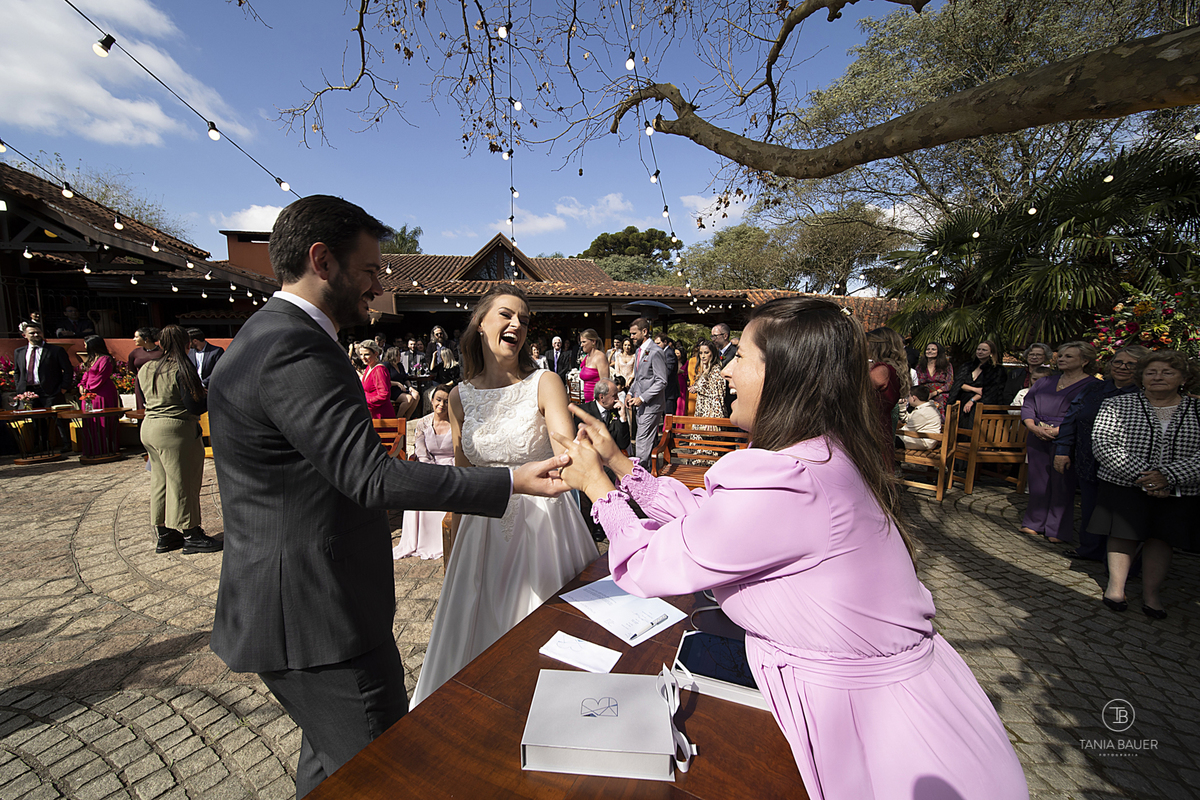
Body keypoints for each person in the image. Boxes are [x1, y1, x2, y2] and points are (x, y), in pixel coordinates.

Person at [553, 297, 1028, 800]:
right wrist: (620, 463)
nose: (727, 369)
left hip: (874, 723)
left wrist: (597, 490)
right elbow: (717, 530)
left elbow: (651, 563)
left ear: (783, 376)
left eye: (741, 357)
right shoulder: (822, 454)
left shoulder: (787, 478)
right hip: (898, 698)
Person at [206, 195, 569, 799]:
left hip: (306, 608)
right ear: (323, 261)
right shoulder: (294, 345)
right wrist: (508, 481)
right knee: (387, 774)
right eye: (371, 269)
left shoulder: (269, 335)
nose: (380, 285)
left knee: (332, 771)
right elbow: (370, 476)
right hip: (318, 617)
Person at [412, 285, 598, 705]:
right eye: (506, 315)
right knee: (475, 630)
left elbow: (564, 451)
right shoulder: (460, 396)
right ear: (480, 325)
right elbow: (462, 477)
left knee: (544, 630)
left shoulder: (545, 383)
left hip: (542, 527)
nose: (517, 324)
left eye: (524, 320)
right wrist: (453, 546)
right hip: (481, 528)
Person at [1090, 351, 1200, 619]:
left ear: (1183, 378)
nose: (1158, 377)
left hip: (1178, 488)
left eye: (1167, 372)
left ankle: (1152, 594)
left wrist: (1168, 476)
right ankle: (1115, 587)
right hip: (1125, 483)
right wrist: (1146, 475)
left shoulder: (1197, 408)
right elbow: (1104, 443)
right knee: (1123, 533)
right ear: (1142, 377)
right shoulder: (1118, 404)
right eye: (1151, 372)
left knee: (1162, 539)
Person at [1053, 345, 1150, 561]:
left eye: (1130, 364)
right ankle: (1089, 549)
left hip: (1126, 466)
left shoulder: (1146, 396)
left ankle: (1119, 558)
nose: (1123, 367)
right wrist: (1063, 450)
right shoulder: (1093, 389)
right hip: (1088, 460)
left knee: (1123, 515)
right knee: (1090, 507)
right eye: (1118, 362)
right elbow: (1071, 419)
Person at [139, 325, 222, 556]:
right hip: (175, 430)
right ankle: (191, 534)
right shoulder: (182, 368)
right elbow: (194, 405)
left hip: (149, 428)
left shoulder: (147, 367)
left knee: (161, 481)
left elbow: (143, 397)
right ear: (187, 344)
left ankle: (165, 534)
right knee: (184, 482)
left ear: (161, 344)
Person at [1019, 342, 1101, 544]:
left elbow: (1086, 414)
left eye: (1069, 356)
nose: (1062, 359)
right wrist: (1033, 426)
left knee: (1062, 482)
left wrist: (1058, 430)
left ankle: (1056, 528)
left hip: (1067, 437)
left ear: (1085, 361)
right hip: (1037, 434)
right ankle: (1034, 521)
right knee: (1038, 481)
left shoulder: (1093, 385)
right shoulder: (1045, 381)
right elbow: (1028, 404)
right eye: (1061, 355)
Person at [393, 384, 455, 560]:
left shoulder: (456, 422)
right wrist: (431, 472)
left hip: (451, 467)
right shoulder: (422, 423)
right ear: (432, 401)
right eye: (438, 400)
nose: (441, 404)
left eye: (446, 401)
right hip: (428, 466)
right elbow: (420, 451)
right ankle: (419, 540)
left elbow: (459, 451)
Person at [576, 378, 631, 541]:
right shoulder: (583, 412)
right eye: (614, 396)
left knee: (614, 473)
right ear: (602, 397)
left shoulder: (615, 412)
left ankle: (609, 522)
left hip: (608, 461)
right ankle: (597, 523)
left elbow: (623, 442)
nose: (617, 399)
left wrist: (622, 417)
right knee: (600, 476)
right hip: (588, 459)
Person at [14, 321, 75, 449]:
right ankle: (41, 445)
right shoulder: (19, 352)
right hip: (30, 392)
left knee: (58, 419)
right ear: (24, 335)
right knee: (37, 420)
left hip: (51, 390)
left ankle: (67, 444)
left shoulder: (55, 350)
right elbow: (17, 372)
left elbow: (68, 370)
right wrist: (20, 389)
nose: (36, 335)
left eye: (38, 332)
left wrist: (63, 388)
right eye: (32, 333)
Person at [628, 317, 669, 464]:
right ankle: (650, 474)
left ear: (644, 332)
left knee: (641, 441)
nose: (631, 337)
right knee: (647, 442)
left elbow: (661, 381)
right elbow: (639, 378)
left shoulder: (655, 352)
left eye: (634, 333)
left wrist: (642, 398)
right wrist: (630, 393)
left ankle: (639, 474)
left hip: (651, 405)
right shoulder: (639, 350)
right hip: (640, 405)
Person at [866, 328, 906, 469]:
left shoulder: (881, 370)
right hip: (881, 423)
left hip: (873, 425)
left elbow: (857, 392)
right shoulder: (890, 368)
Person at [77, 335, 121, 451]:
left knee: (103, 419)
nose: (84, 346)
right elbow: (86, 374)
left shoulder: (105, 359)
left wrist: (88, 387)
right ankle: (93, 448)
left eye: (86, 344)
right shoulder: (91, 359)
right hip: (89, 393)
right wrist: (81, 385)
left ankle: (105, 448)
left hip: (102, 392)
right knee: (90, 420)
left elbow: (101, 377)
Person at [949, 339, 1006, 427]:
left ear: (991, 353)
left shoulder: (997, 370)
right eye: (978, 349)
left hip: (981, 405)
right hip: (962, 402)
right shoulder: (967, 366)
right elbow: (958, 384)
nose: (980, 352)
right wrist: (975, 389)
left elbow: (990, 391)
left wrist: (972, 400)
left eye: (984, 350)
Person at [357, 340, 396, 419]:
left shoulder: (379, 370)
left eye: (366, 354)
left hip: (380, 415)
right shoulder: (369, 367)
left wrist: (365, 402)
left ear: (376, 353)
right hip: (370, 412)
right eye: (361, 354)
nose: (363, 358)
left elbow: (383, 395)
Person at [915, 341, 954, 420]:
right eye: (928, 349)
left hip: (941, 394)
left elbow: (949, 383)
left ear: (938, 352)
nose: (930, 351)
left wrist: (935, 393)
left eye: (933, 349)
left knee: (939, 402)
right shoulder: (920, 367)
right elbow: (917, 382)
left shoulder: (946, 366)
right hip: (923, 394)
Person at [127, 326, 163, 410]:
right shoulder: (135, 353)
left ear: (146, 338)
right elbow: (132, 368)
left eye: (136, 337)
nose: (133, 339)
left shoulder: (161, 352)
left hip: (158, 382)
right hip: (140, 382)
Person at [690, 340, 727, 419]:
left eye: (706, 353)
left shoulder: (716, 371)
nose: (703, 356)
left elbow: (717, 397)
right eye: (701, 353)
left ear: (712, 353)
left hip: (710, 414)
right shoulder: (705, 369)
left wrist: (713, 419)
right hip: (701, 411)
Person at [382, 347, 421, 418]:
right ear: (393, 356)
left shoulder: (399, 365)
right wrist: (397, 383)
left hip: (401, 389)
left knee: (416, 395)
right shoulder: (386, 365)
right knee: (409, 399)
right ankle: (398, 418)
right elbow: (384, 381)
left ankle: (407, 419)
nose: (400, 357)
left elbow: (405, 378)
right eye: (398, 355)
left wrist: (410, 387)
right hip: (391, 390)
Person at [900, 384, 942, 449]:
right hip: (927, 439)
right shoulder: (928, 407)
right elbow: (910, 420)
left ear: (914, 398)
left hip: (924, 442)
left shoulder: (922, 412)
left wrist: (893, 432)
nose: (908, 398)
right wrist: (902, 407)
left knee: (889, 440)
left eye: (909, 396)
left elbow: (907, 430)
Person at [711, 322, 737, 416]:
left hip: (730, 395)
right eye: (712, 336)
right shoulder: (715, 353)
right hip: (718, 396)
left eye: (715, 336)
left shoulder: (735, 352)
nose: (713, 339)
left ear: (725, 336)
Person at [577, 328, 610, 402]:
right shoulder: (587, 357)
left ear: (593, 342)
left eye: (584, 342)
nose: (581, 345)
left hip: (596, 400)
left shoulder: (600, 357)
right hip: (587, 400)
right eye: (581, 342)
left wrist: (598, 401)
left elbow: (605, 382)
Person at [655, 333, 679, 415]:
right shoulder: (661, 352)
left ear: (665, 342)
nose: (656, 345)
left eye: (658, 343)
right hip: (664, 392)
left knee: (669, 417)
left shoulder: (669, 353)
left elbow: (668, 371)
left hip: (669, 392)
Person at [673, 342, 689, 415]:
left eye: (678, 353)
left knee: (681, 403)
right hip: (675, 383)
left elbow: (687, 373)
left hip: (682, 384)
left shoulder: (686, 363)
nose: (676, 355)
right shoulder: (673, 362)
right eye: (675, 353)